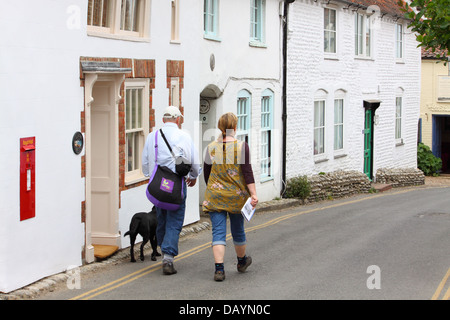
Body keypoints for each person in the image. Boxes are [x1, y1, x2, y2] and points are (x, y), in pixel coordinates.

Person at [142, 106, 201, 275]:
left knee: (161, 218)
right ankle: (168, 257)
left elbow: (145, 162)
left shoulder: (152, 136)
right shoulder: (183, 136)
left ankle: (164, 247)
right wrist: (194, 175)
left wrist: (149, 177)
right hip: (176, 184)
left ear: (163, 120)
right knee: (174, 221)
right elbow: (194, 161)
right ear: (178, 119)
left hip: (158, 185)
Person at [202, 112, 258, 281]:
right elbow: (247, 172)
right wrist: (253, 193)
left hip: (215, 195)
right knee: (237, 229)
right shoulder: (241, 146)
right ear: (235, 127)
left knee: (218, 232)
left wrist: (216, 189)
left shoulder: (211, 147)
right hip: (236, 196)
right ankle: (241, 262)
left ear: (220, 128)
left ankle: (219, 270)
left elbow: (207, 175)